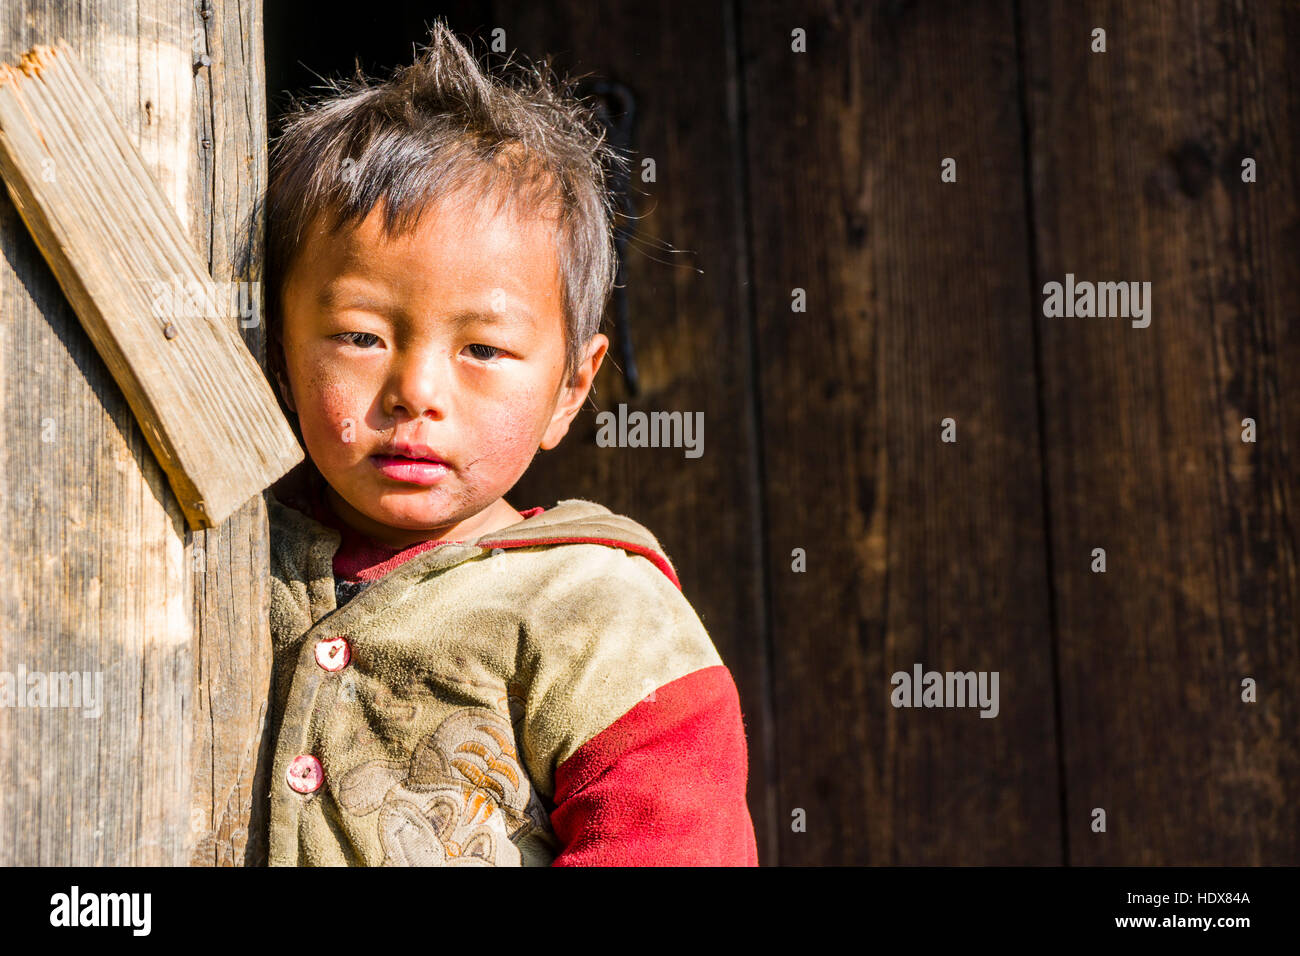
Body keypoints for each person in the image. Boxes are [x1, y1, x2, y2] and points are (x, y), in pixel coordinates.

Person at [261, 18, 757, 866]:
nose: (416, 392)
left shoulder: (598, 615)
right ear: (278, 350)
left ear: (572, 388)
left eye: (483, 350)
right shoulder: (221, 559)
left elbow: (674, 841)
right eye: (359, 336)